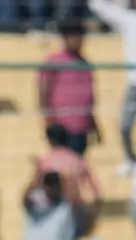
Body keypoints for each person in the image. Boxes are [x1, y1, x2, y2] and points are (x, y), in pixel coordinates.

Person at [88, 0, 136, 174]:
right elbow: (97, 5)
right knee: (124, 125)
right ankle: (130, 160)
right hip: (134, 85)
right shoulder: (128, 18)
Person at [38, 23, 97, 157]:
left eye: (80, 37)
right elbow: (44, 91)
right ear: (65, 38)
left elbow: (89, 95)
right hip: (61, 125)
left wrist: (94, 124)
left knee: (77, 162)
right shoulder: (54, 61)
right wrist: (48, 120)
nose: (78, 40)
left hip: (81, 125)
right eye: (74, 37)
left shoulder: (85, 63)